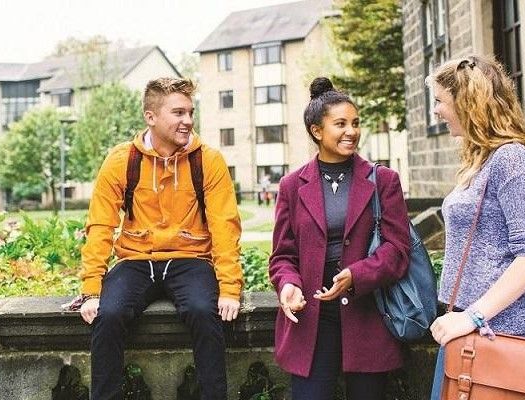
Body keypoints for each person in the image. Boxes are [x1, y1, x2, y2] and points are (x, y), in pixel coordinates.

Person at [77, 77, 243, 400]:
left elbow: (226, 228)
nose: (188, 121)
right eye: (178, 113)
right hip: (137, 260)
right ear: (151, 117)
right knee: (107, 315)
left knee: (202, 310)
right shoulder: (121, 160)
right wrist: (91, 291)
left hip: (190, 259)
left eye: (190, 113)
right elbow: (100, 225)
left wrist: (230, 289)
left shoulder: (208, 160)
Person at [269, 77, 411, 400]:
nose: (352, 131)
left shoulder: (383, 180)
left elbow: (398, 249)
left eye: (356, 123)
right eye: (341, 124)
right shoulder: (292, 186)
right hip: (311, 326)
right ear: (317, 131)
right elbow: (282, 256)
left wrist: (356, 275)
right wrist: (288, 284)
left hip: (368, 320)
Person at [426, 55, 525, 399]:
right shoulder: (482, 159)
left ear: (467, 103)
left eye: (440, 101)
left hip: (500, 339)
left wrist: (472, 318)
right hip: (464, 333)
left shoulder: (512, 158)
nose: (435, 111)